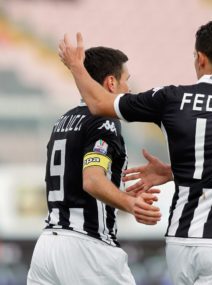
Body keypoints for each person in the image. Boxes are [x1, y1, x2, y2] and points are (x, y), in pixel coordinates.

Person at [58, 21, 212, 285]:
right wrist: (176, 172)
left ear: (200, 58)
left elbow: (98, 103)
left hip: (180, 239)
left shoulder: (171, 98)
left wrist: (76, 66)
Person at [27, 46, 161, 285]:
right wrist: (131, 204)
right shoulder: (103, 121)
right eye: (125, 80)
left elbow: (77, 178)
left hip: (46, 248)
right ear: (111, 82)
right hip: (87, 249)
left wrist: (119, 193)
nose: (129, 89)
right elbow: (92, 180)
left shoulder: (63, 120)